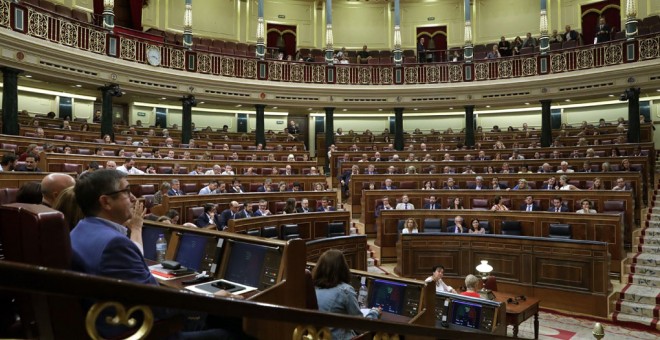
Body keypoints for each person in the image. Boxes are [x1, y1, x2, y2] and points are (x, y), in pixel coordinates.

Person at [69, 170, 235, 339]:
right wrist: (210, 298)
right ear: (106, 202)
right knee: (230, 332)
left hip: (107, 322)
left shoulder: (79, 230)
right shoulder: (114, 243)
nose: (134, 198)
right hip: (138, 332)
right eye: (126, 191)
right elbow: (160, 306)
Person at [313, 250, 381, 339]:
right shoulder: (345, 290)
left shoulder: (312, 288)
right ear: (343, 269)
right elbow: (362, 326)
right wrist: (374, 313)